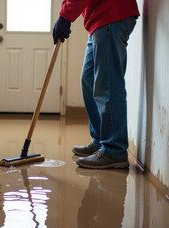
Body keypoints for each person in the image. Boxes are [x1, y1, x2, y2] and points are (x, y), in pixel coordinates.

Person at [53, 0, 140, 169]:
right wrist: (65, 13)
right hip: (100, 20)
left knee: (107, 85)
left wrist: (65, 16)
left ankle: (114, 150)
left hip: (111, 14)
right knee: (89, 80)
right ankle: (101, 140)